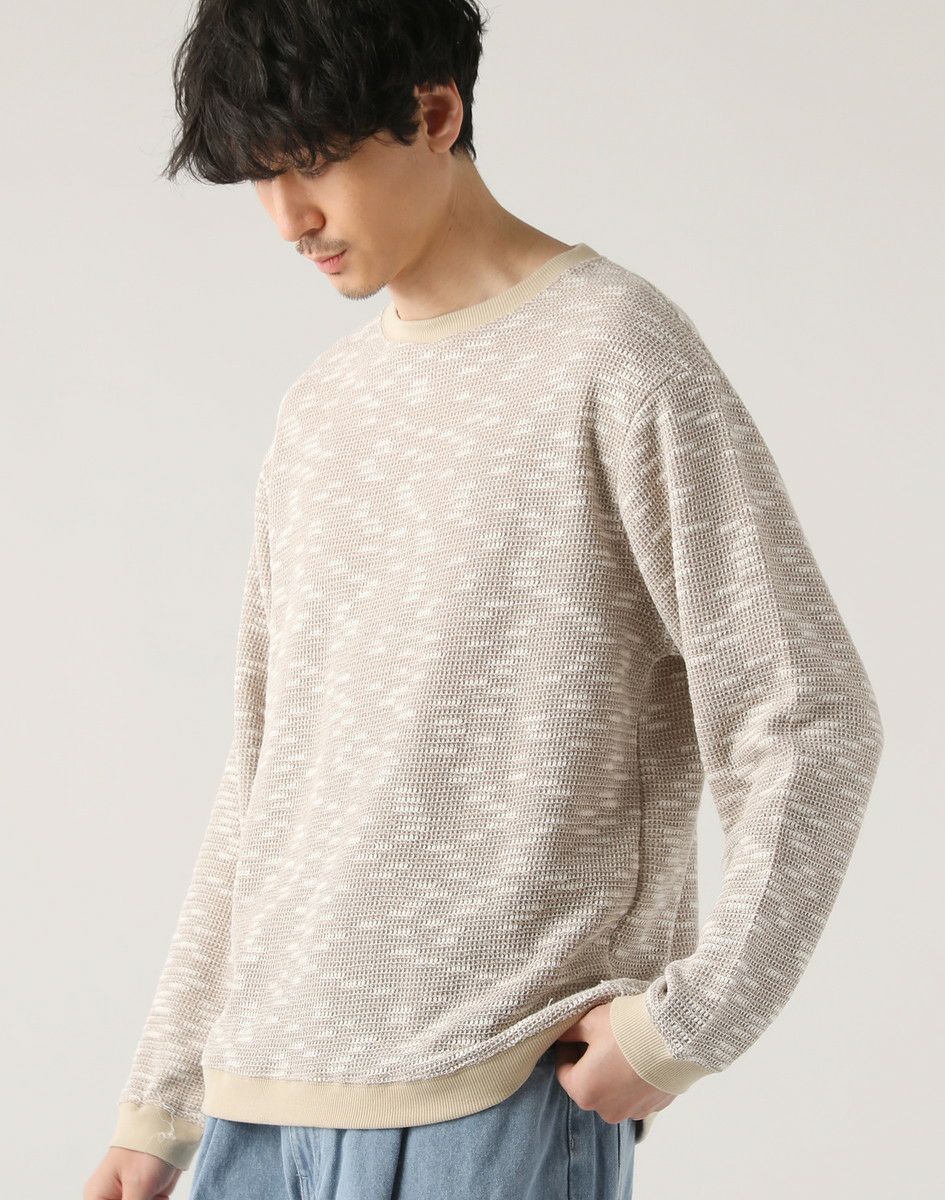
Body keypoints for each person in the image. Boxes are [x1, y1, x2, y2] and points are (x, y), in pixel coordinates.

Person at [84, 2, 885, 1198]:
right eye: (260, 177)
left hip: (491, 1094)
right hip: (258, 1107)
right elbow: (264, 777)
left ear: (433, 111)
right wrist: (161, 1102)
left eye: (314, 163)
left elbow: (806, 711)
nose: (288, 218)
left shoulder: (614, 354)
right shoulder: (320, 415)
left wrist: (694, 1022)